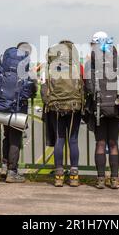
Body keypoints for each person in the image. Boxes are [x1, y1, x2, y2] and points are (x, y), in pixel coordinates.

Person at [84, 32, 119, 190]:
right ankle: (115, 179)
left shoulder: (91, 63)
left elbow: (88, 87)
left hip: (98, 108)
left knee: (100, 143)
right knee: (114, 143)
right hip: (116, 108)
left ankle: (100, 179)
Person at [0, 42, 37, 183]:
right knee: (15, 139)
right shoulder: (27, 69)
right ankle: (12, 171)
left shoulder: (4, 65)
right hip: (18, 108)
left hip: (3, 105)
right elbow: (32, 90)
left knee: (6, 136)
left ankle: (4, 167)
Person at [41, 40, 84, 187]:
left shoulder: (50, 67)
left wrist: (49, 103)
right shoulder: (77, 66)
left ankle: (59, 175)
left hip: (55, 107)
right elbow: (83, 84)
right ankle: (74, 176)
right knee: (73, 140)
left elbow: (43, 86)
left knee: (59, 139)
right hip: (74, 106)